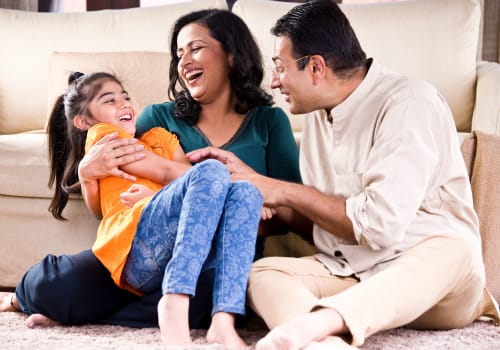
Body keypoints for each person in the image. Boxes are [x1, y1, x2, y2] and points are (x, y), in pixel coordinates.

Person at [186, 1, 500, 349]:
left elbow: (379, 226)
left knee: (455, 248)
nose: (274, 82)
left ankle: (319, 323)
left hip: (433, 285)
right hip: (355, 274)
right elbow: (325, 225)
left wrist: (283, 190)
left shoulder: (411, 102)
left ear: (316, 67)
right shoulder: (320, 117)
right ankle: (324, 345)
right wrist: (260, 192)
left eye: (280, 68)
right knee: (264, 273)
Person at [0, 8, 301, 337]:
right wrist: (86, 174)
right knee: (57, 285)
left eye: (195, 48)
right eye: (179, 53)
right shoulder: (159, 119)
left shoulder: (270, 122)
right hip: (149, 242)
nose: (183, 60)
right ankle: (45, 300)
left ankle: (96, 316)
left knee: (215, 295)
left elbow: (290, 213)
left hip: (217, 257)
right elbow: (118, 188)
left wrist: (182, 191)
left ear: (231, 54)